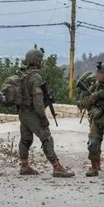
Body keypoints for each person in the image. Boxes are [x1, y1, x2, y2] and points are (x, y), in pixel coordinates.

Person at [16, 47, 75, 178]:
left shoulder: (22, 75)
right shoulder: (35, 77)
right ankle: (57, 167)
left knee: (25, 139)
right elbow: (37, 100)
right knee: (46, 138)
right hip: (32, 113)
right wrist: (42, 117)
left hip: (23, 112)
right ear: (37, 61)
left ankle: (24, 165)